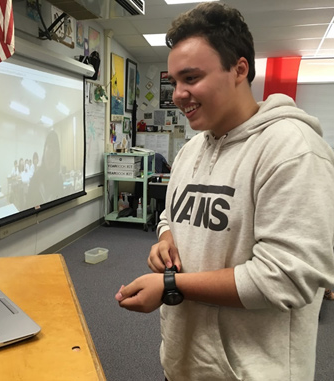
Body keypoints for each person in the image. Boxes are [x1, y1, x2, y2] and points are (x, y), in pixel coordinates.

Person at [115, 3, 334, 380]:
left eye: (192, 78)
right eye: (174, 82)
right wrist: (165, 236)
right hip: (184, 361)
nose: (179, 94)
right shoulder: (191, 150)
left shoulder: (292, 149)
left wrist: (170, 284)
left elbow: (286, 278)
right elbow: (171, 216)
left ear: (239, 69)